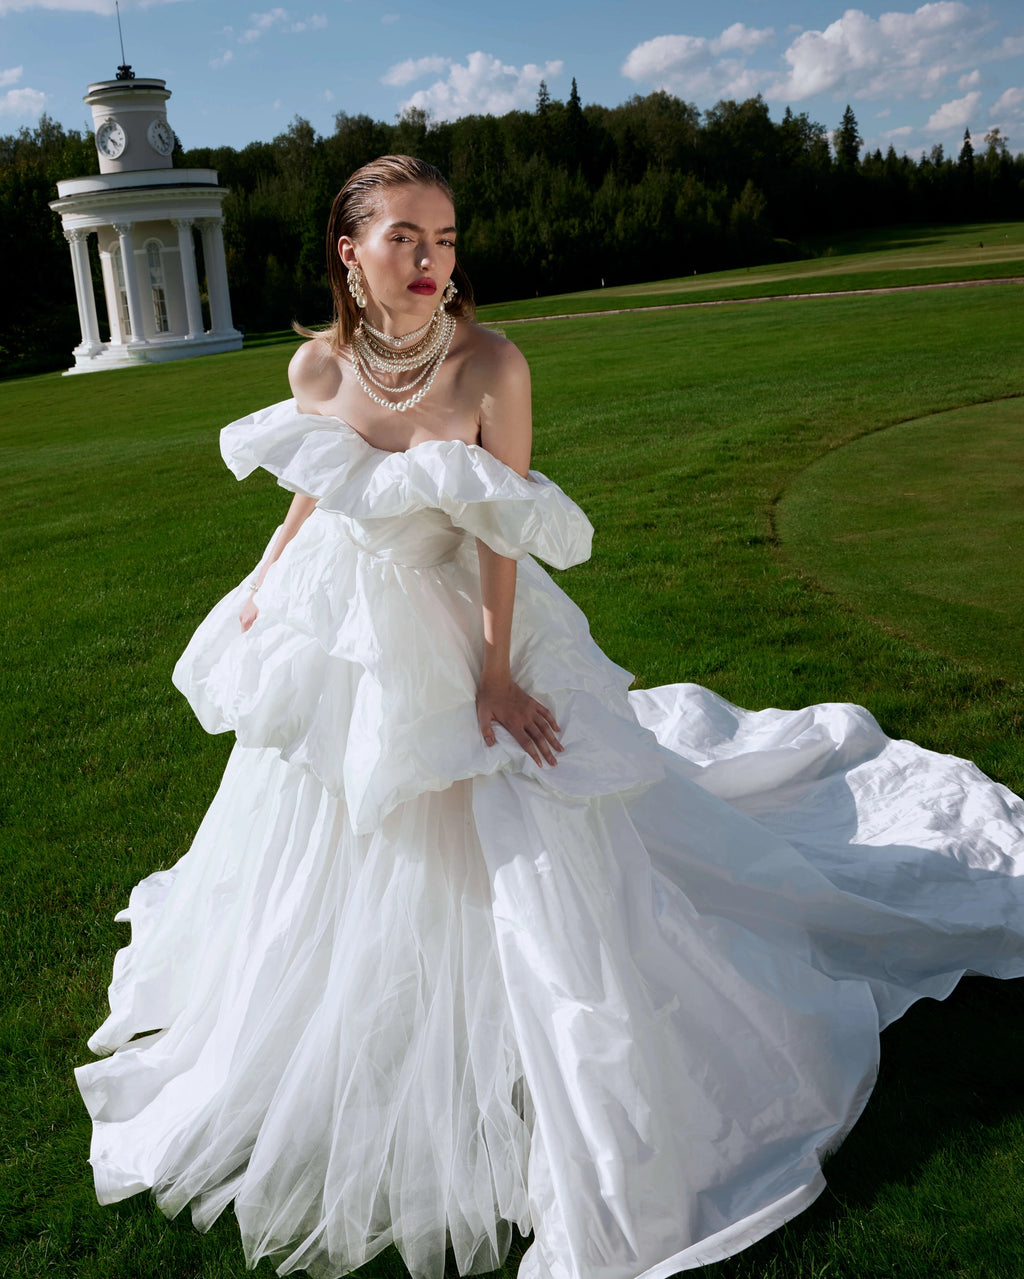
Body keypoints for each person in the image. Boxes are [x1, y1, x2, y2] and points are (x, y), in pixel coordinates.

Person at [76, 156, 1024, 1279]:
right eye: (404, 239)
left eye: (445, 237)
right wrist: (266, 578)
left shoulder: (491, 364)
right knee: (324, 829)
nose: (432, 260)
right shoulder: (316, 364)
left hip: (455, 608)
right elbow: (317, 476)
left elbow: (498, 528)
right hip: (341, 610)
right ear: (348, 250)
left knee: (527, 839)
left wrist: (492, 674)